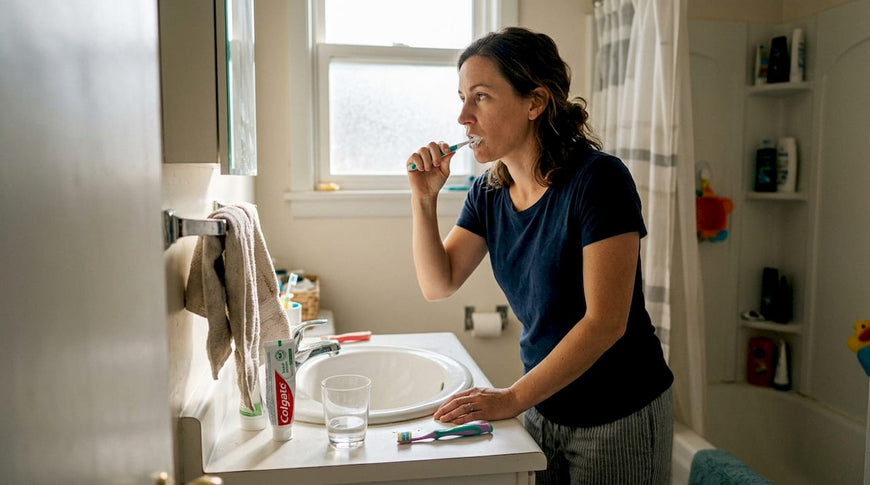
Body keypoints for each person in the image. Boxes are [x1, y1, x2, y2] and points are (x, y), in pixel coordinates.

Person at [406, 27, 674, 483]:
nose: (463, 117)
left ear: (535, 103)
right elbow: (439, 284)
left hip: (618, 414)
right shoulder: (488, 192)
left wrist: (510, 399)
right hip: (543, 406)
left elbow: (606, 322)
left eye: (481, 97)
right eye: (462, 97)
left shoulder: (599, 181)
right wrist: (423, 200)